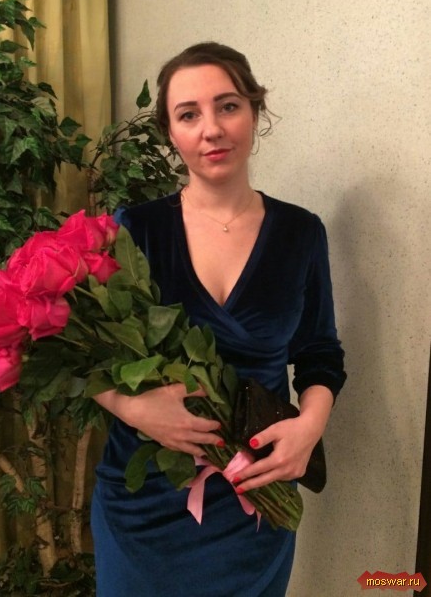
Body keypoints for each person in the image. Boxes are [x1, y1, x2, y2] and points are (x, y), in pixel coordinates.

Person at [91, 42, 346, 597]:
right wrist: (131, 407)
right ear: (170, 133)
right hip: (143, 507)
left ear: (254, 110)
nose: (212, 129)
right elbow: (88, 354)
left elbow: (320, 353)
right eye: (189, 115)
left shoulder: (301, 233)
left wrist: (309, 428)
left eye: (227, 106)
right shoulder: (135, 228)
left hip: (255, 502)